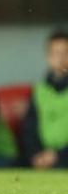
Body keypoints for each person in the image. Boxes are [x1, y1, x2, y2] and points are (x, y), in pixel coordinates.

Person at [22, 30, 68, 169]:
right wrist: (36, 154)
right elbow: (30, 128)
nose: (61, 58)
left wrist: (58, 155)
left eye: (65, 52)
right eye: (55, 53)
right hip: (43, 157)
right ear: (48, 57)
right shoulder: (40, 89)